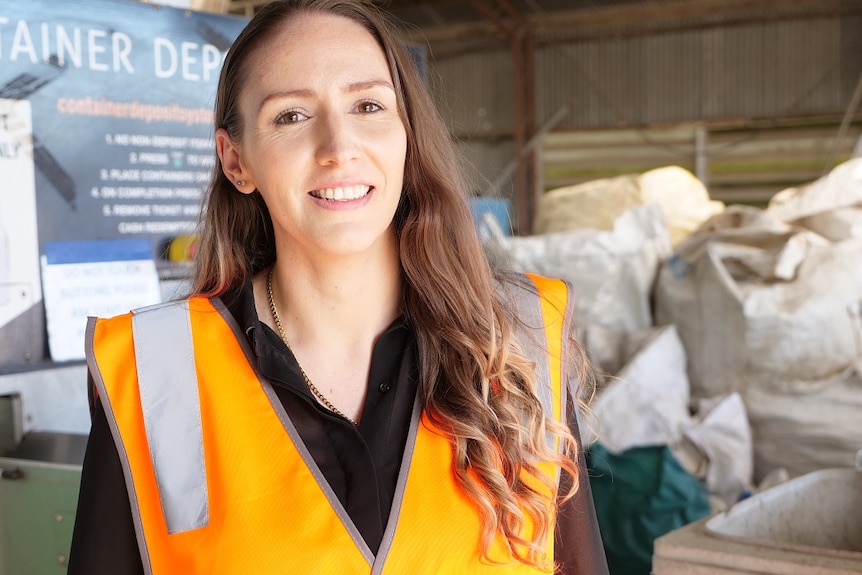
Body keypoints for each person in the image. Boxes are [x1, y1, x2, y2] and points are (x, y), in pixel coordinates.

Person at [68, 0, 609, 573]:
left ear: (406, 135)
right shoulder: (156, 372)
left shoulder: (515, 341)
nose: (339, 148)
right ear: (236, 161)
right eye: (291, 117)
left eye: (368, 105)